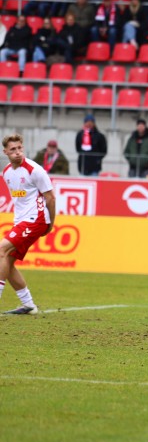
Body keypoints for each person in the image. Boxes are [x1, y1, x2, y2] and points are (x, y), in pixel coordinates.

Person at [0, 134, 56, 315]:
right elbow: (20, 199)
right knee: (7, 261)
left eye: (19, 148)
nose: (17, 152)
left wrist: (50, 224)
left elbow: (50, 197)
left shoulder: (35, 170)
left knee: (1, 251)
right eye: (13, 149)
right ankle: (29, 305)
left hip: (36, 219)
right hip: (22, 221)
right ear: (5, 152)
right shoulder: (7, 172)